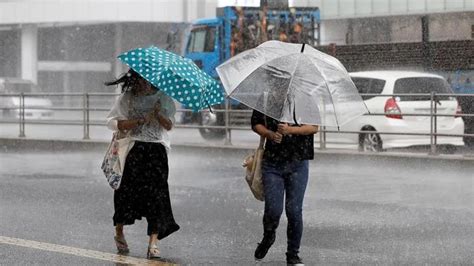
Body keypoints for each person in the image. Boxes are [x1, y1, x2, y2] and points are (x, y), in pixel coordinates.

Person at [104, 69, 180, 259]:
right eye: (140, 80)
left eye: (146, 80)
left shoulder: (163, 97)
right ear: (134, 80)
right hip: (134, 149)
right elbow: (116, 123)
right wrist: (137, 121)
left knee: (157, 195)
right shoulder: (127, 98)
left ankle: (153, 241)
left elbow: (169, 125)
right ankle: (119, 231)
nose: (143, 84)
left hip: (157, 151)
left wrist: (157, 114)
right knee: (124, 192)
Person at [251, 109, 318, 265]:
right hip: (272, 164)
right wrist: (270, 134)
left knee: (294, 211)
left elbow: (314, 127)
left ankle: (292, 254)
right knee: (273, 210)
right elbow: (256, 124)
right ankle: (268, 236)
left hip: (298, 163)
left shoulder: (306, 98)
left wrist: (290, 130)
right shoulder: (268, 96)